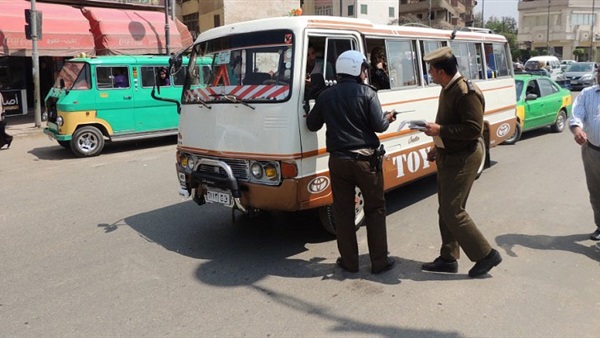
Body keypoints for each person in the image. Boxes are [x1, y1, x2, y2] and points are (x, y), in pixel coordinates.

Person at [306, 50, 396, 274]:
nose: (366, 73)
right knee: (375, 210)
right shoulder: (368, 93)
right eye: (364, 69)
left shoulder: (326, 96)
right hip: (366, 161)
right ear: (357, 69)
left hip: (338, 162)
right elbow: (379, 126)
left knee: (343, 212)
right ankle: (379, 262)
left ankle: (349, 262)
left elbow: (312, 125)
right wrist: (389, 118)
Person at [420, 46, 502, 278]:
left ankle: (486, 255)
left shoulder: (466, 92)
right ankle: (448, 257)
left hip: (464, 156)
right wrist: (437, 145)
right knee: (445, 208)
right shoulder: (448, 87)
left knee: (452, 210)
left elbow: (473, 129)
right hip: (449, 154)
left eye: (431, 69)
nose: (429, 73)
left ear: (441, 71)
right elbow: (447, 121)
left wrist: (440, 130)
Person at [569, 70, 600, 240]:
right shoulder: (587, 94)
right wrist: (577, 131)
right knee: (596, 192)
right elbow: (576, 117)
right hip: (593, 152)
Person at [0, 82, 13, 149]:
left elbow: (0, 107)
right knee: (1, 133)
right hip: (2, 117)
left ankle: (9, 139)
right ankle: (8, 139)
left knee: (1, 133)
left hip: (1, 117)